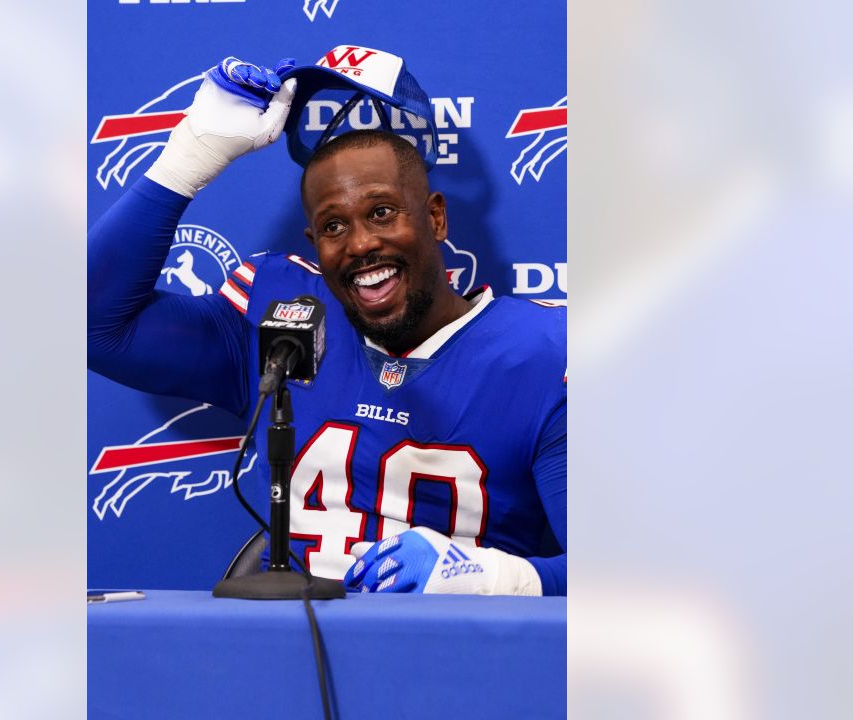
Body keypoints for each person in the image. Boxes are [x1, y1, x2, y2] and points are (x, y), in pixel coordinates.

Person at [88, 56, 566, 596]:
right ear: (315, 243)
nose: (361, 244)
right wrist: (186, 158)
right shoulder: (281, 312)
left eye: (383, 212)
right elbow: (93, 325)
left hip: (460, 665)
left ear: (435, 217)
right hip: (287, 658)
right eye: (335, 225)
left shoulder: (543, 355)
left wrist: (494, 577)